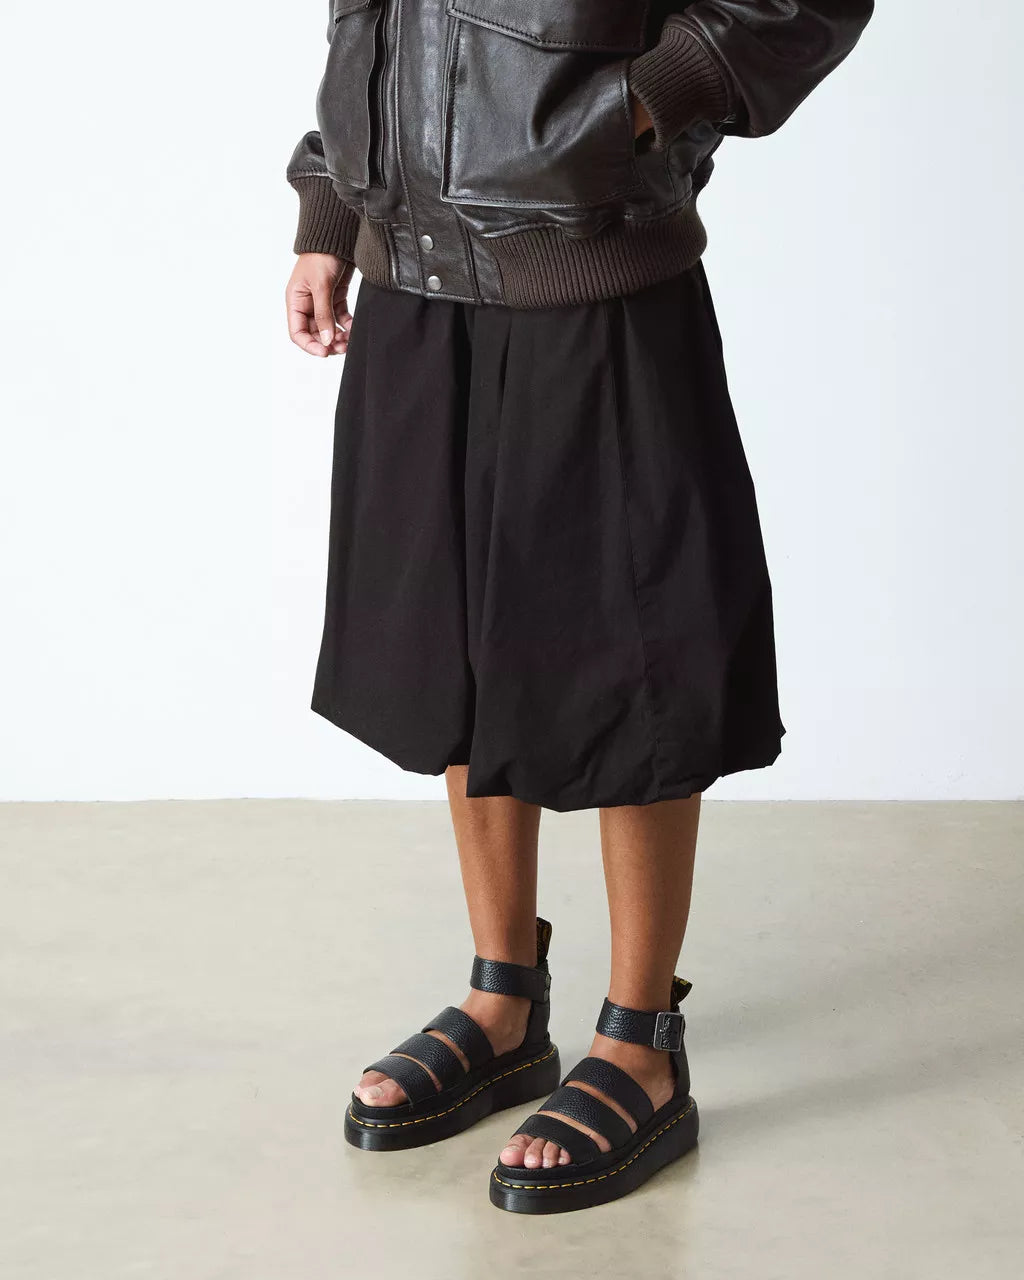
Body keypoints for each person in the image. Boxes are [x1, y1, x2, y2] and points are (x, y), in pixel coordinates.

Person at [284, 0, 873, 1214]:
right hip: (414, 279)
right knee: (449, 647)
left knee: (630, 659)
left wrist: (646, 97)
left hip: (593, 267)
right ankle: (502, 1002)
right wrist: (330, 211)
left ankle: (641, 1042)